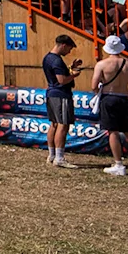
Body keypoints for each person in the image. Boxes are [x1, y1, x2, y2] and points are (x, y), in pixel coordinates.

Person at [91, 36, 128, 176]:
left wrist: (99, 92)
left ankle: (119, 164)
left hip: (108, 98)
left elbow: (94, 85)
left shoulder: (102, 65)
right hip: (123, 98)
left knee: (112, 131)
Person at [42, 33, 78, 168]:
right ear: (63, 45)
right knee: (63, 125)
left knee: (54, 124)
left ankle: (52, 154)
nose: (69, 52)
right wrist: (74, 75)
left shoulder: (48, 58)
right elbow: (62, 80)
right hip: (61, 94)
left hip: (51, 93)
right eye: (69, 48)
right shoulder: (57, 60)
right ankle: (59, 157)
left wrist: (70, 67)